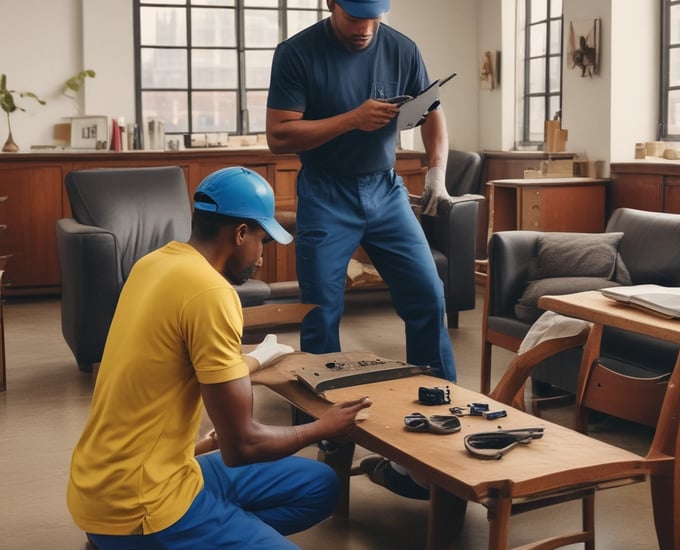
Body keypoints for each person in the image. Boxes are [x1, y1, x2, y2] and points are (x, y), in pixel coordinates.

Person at [67, 166, 371, 549]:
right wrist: (322, 428)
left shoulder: (153, 264)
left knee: (321, 485)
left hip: (122, 477)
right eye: (262, 240)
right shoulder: (211, 292)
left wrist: (259, 359)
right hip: (140, 504)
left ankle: (214, 529)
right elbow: (242, 446)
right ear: (240, 233)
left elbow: (180, 366)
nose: (261, 255)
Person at [266, 0, 455, 500]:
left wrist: (436, 170)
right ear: (332, 5)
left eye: (376, 17)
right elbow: (279, 135)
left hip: (386, 190)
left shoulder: (402, 50)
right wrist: (352, 119)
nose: (366, 29)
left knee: (428, 295)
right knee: (321, 311)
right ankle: (328, 429)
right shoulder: (297, 53)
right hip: (325, 192)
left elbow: (432, 114)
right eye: (355, 17)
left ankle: (441, 408)